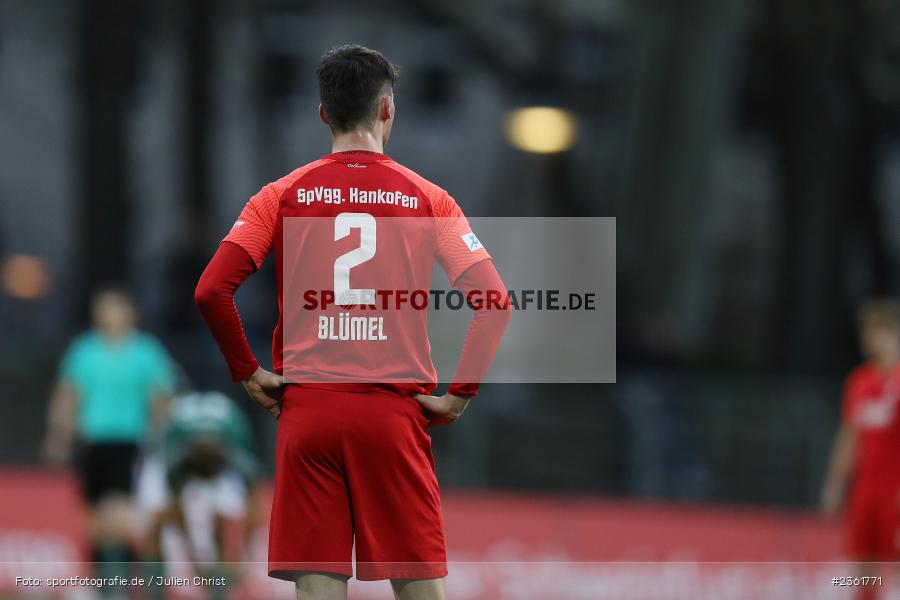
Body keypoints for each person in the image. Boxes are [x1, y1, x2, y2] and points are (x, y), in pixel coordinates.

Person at [194, 44, 511, 600]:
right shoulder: (429, 199)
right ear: (387, 109)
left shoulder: (279, 196)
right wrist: (459, 394)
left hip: (308, 412)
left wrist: (248, 372)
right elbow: (494, 301)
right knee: (419, 589)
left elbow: (211, 291)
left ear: (323, 113)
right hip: (393, 415)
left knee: (319, 588)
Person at [43, 285, 176, 589]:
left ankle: (119, 586)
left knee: (119, 514)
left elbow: (160, 398)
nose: (108, 314)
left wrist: (161, 436)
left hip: (128, 441)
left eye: (114, 307)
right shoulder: (84, 350)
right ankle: (105, 584)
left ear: (129, 312)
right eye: (103, 307)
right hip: (91, 442)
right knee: (93, 519)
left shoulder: (145, 351)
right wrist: (59, 434)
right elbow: (68, 395)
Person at [138, 391, 261, 600]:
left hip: (212, 457)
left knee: (223, 523)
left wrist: (244, 554)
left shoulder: (234, 438)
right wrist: (192, 554)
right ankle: (154, 591)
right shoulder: (173, 448)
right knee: (155, 526)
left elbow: (251, 505)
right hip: (171, 461)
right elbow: (175, 506)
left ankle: (219, 591)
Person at [822, 298, 900, 600]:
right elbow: (849, 436)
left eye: (877, 332)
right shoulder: (859, 382)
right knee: (862, 571)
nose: (869, 340)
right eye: (866, 333)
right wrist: (835, 482)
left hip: (894, 490)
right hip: (865, 489)